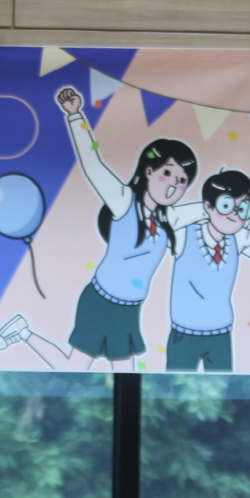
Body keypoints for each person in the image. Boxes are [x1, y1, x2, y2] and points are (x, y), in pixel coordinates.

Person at [52, 84, 196, 367]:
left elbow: (209, 209)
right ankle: (24, 334)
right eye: (168, 173)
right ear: (149, 170)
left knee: (125, 371)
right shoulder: (123, 201)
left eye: (182, 180)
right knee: (73, 366)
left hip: (130, 309)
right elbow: (92, 165)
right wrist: (75, 116)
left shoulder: (168, 219)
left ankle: (23, 334)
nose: (174, 184)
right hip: (100, 300)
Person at [163, 169, 250, 372]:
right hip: (184, 333)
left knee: (223, 384)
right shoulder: (183, 235)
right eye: (226, 205)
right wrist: (209, 208)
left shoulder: (238, 239)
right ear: (208, 206)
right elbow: (166, 216)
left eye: (242, 209)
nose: (234, 214)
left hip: (220, 334)